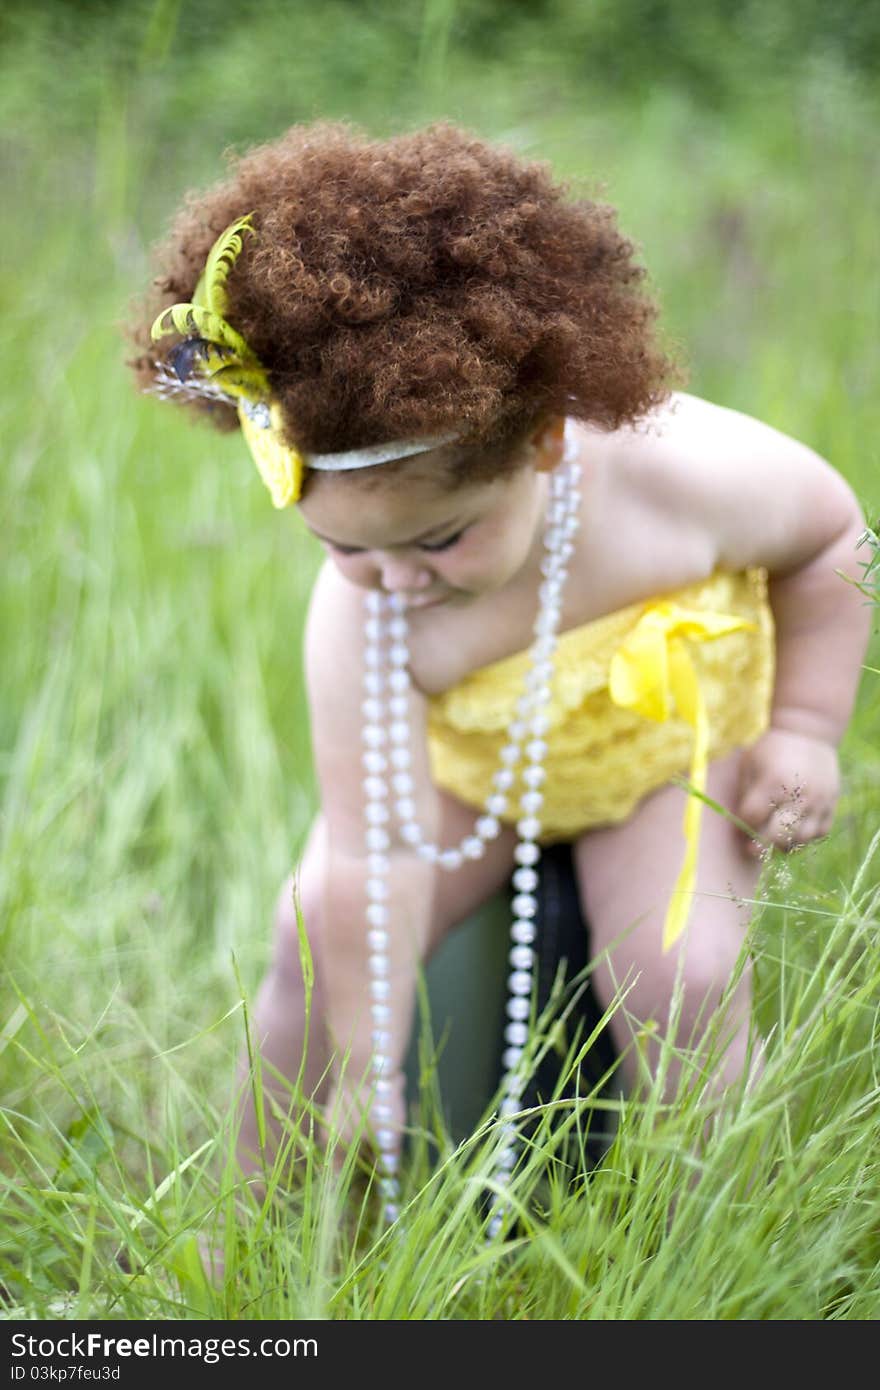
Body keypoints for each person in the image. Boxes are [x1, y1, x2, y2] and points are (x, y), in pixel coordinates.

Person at [129, 122, 870, 1223]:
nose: (393, 581)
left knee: (680, 971)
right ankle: (258, 1207)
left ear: (544, 447)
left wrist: (804, 723)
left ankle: (718, 1220)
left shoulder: (678, 480)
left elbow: (832, 540)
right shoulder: (362, 622)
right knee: (309, 941)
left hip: (658, 745)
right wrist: (372, 1037)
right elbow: (373, 846)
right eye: (342, 547)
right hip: (467, 766)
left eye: (439, 542)